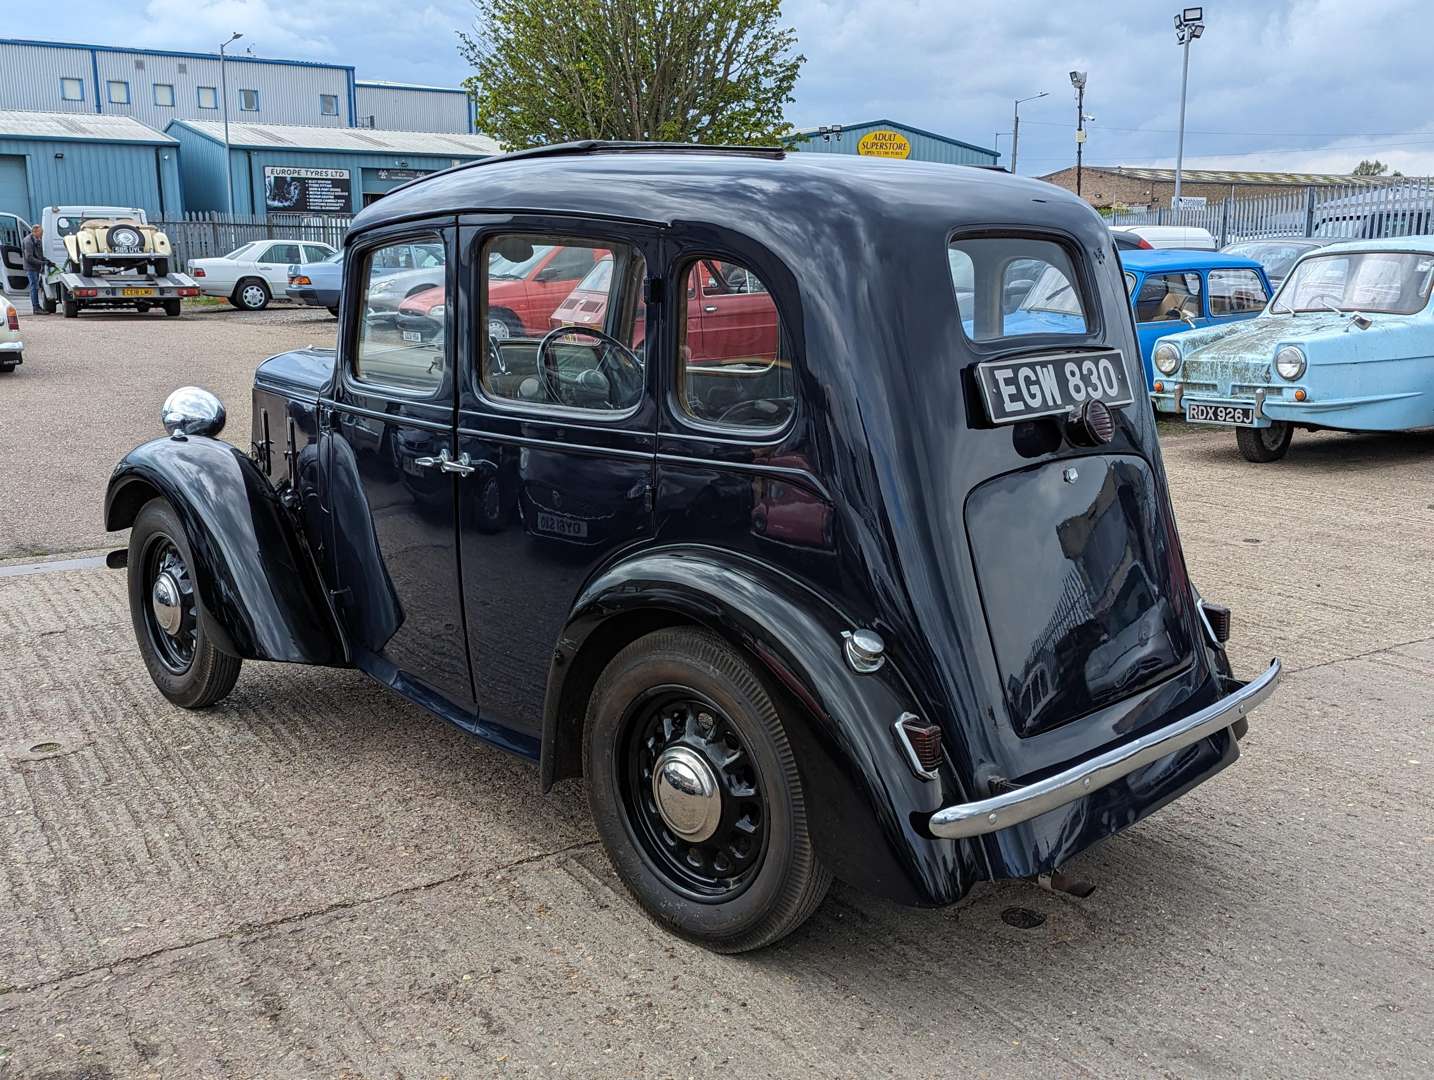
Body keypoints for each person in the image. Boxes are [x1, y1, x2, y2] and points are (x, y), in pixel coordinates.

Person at [21, 223, 47, 314]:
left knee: (36, 287)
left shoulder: (37, 239)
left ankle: (37, 307)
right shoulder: (28, 241)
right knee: (34, 287)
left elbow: (39, 254)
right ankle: (36, 308)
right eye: (41, 232)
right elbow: (29, 258)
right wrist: (42, 263)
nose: (42, 234)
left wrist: (47, 261)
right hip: (31, 268)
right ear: (35, 231)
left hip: (36, 267)